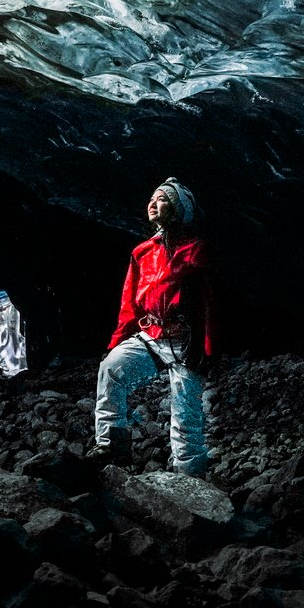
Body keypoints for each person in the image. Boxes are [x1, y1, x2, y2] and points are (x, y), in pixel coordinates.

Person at [92, 178, 215, 475]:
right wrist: (117, 342)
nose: (153, 203)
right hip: (151, 334)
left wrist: (205, 346)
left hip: (184, 340)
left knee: (185, 412)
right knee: (111, 368)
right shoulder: (142, 253)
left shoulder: (195, 251)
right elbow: (129, 304)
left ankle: (190, 477)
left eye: (162, 199)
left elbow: (209, 304)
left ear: (178, 209)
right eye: (152, 198)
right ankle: (112, 446)